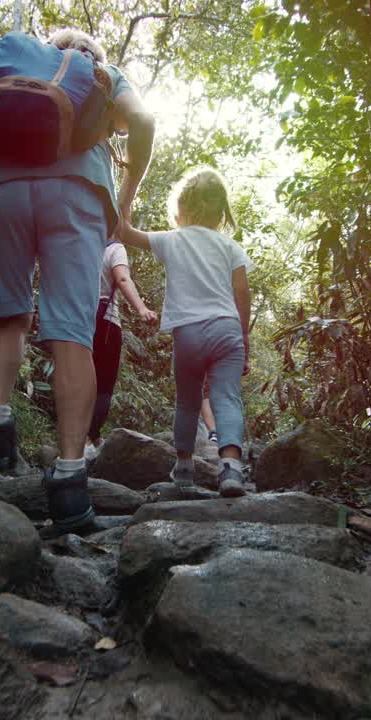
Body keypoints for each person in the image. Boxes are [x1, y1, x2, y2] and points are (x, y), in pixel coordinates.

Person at [0, 29, 155, 531]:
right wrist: (127, 199)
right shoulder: (103, 76)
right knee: (71, 335)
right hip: (76, 193)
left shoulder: (14, 70)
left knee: (9, 319)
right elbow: (144, 121)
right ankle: (70, 485)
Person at [119, 167, 251, 497]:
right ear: (221, 211)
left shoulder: (171, 239)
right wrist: (244, 338)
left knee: (188, 402)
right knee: (227, 397)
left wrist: (126, 193)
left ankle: (184, 468)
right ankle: (231, 468)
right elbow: (242, 293)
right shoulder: (230, 247)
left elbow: (123, 231)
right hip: (227, 329)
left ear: (181, 207)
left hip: (188, 333)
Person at [85, 238, 157, 461]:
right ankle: (87, 441)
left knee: (78, 379)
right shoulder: (114, 248)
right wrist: (142, 308)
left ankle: (89, 438)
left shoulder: (80, 242)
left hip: (74, 316)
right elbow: (122, 278)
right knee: (102, 385)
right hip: (104, 321)